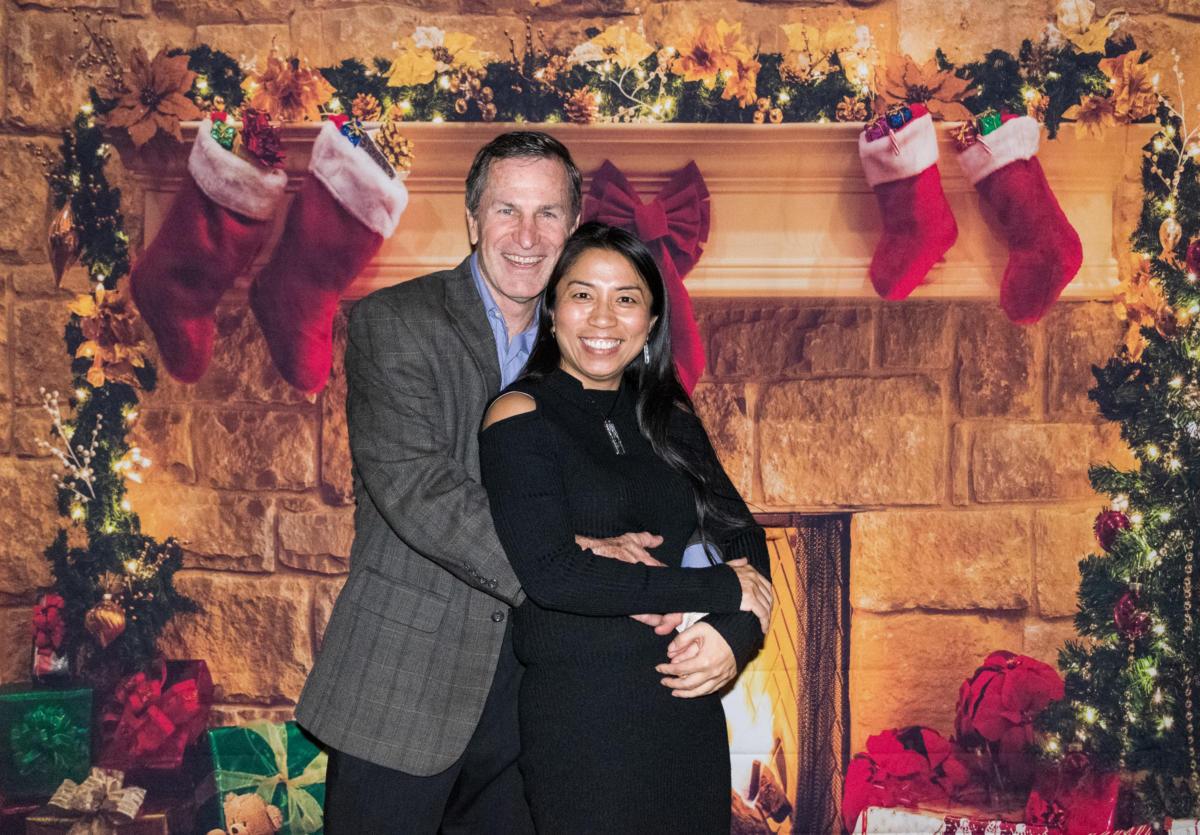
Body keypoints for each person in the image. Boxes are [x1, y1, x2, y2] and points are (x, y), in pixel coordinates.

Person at [294, 132, 741, 833]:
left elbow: (686, 502)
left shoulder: (587, 344)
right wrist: (571, 555)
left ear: (573, 223)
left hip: (536, 703)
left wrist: (727, 614)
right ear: (473, 219)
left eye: (548, 213)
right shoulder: (396, 322)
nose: (527, 236)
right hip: (408, 682)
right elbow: (418, 488)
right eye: (507, 210)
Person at [479, 221, 775, 834]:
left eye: (626, 299)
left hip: (687, 711)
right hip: (583, 724)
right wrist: (719, 590)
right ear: (552, 311)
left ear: (650, 321)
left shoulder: (669, 416)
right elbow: (552, 573)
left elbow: (740, 534)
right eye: (582, 294)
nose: (603, 318)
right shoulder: (517, 414)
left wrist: (736, 635)